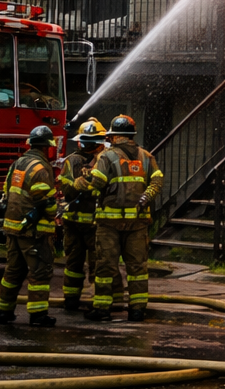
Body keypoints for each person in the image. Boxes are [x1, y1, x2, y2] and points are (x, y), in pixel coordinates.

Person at [88, 114, 163, 322]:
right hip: (137, 223)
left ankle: (102, 309)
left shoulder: (106, 157)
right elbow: (157, 181)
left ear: (114, 136)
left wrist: (82, 182)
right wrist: (146, 196)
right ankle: (137, 310)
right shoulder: (146, 157)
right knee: (137, 267)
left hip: (109, 224)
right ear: (131, 136)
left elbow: (97, 184)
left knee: (105, 266)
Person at [0, 124, 58, 327]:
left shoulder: (18, 163)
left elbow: (6, 190)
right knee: (40, 272)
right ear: (47, 147)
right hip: (33, 232)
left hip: (13, 227)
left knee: (13, 272)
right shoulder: (41, 168)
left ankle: (4, 312)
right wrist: (55, 212)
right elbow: (43, 200)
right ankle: (38, 315)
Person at [58, 117, 106, 313]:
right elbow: (67, 190)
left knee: (94, 265)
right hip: (80, 223)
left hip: (91, 223)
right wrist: (81, 184)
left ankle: (95, 302)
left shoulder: (104, 160)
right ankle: (74, 301)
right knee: (76, 264)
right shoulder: (73, 161)